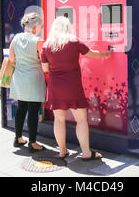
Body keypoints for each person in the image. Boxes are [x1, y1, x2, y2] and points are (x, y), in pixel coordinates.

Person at [41, 16, 112, 160]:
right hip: (73, 86)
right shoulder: (74, 42)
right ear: (67, 27)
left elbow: (45, 68)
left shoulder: (46, 46)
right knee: (81, 120)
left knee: (59, 120)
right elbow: (92, 54)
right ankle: (86, 152)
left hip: (55, 87)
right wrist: (107, 54)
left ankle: (62, 151)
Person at [9, 13, 46, 152]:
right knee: (33, 110)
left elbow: (12, 59)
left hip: (19, 77)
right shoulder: (38, 41)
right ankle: (33, 142)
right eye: (40, 26)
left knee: (21, 108)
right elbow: (43, 61)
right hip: (34, 78)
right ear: (35, 26)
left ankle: (18, 138)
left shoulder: (16, 38)